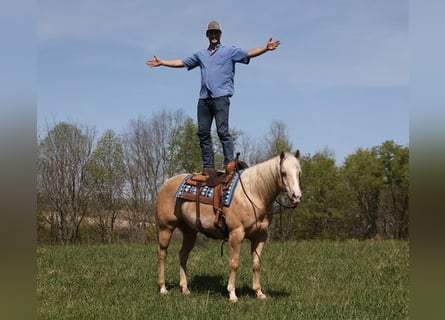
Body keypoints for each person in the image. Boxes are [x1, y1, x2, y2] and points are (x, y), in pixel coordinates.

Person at [146, 20, 280, 179]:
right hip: (204, 99)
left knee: (223, 131)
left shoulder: (229, 51)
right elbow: (182, 62)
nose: (214, 35)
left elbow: (249, 52)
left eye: (216, 32)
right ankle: (208, 166)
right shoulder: (200, 55)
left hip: (221, 97)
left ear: (220, 34)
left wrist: (265, 48)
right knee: (203, 133)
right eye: (211, 33)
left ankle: (229, 163)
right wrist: (163, 62)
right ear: (207, 35)